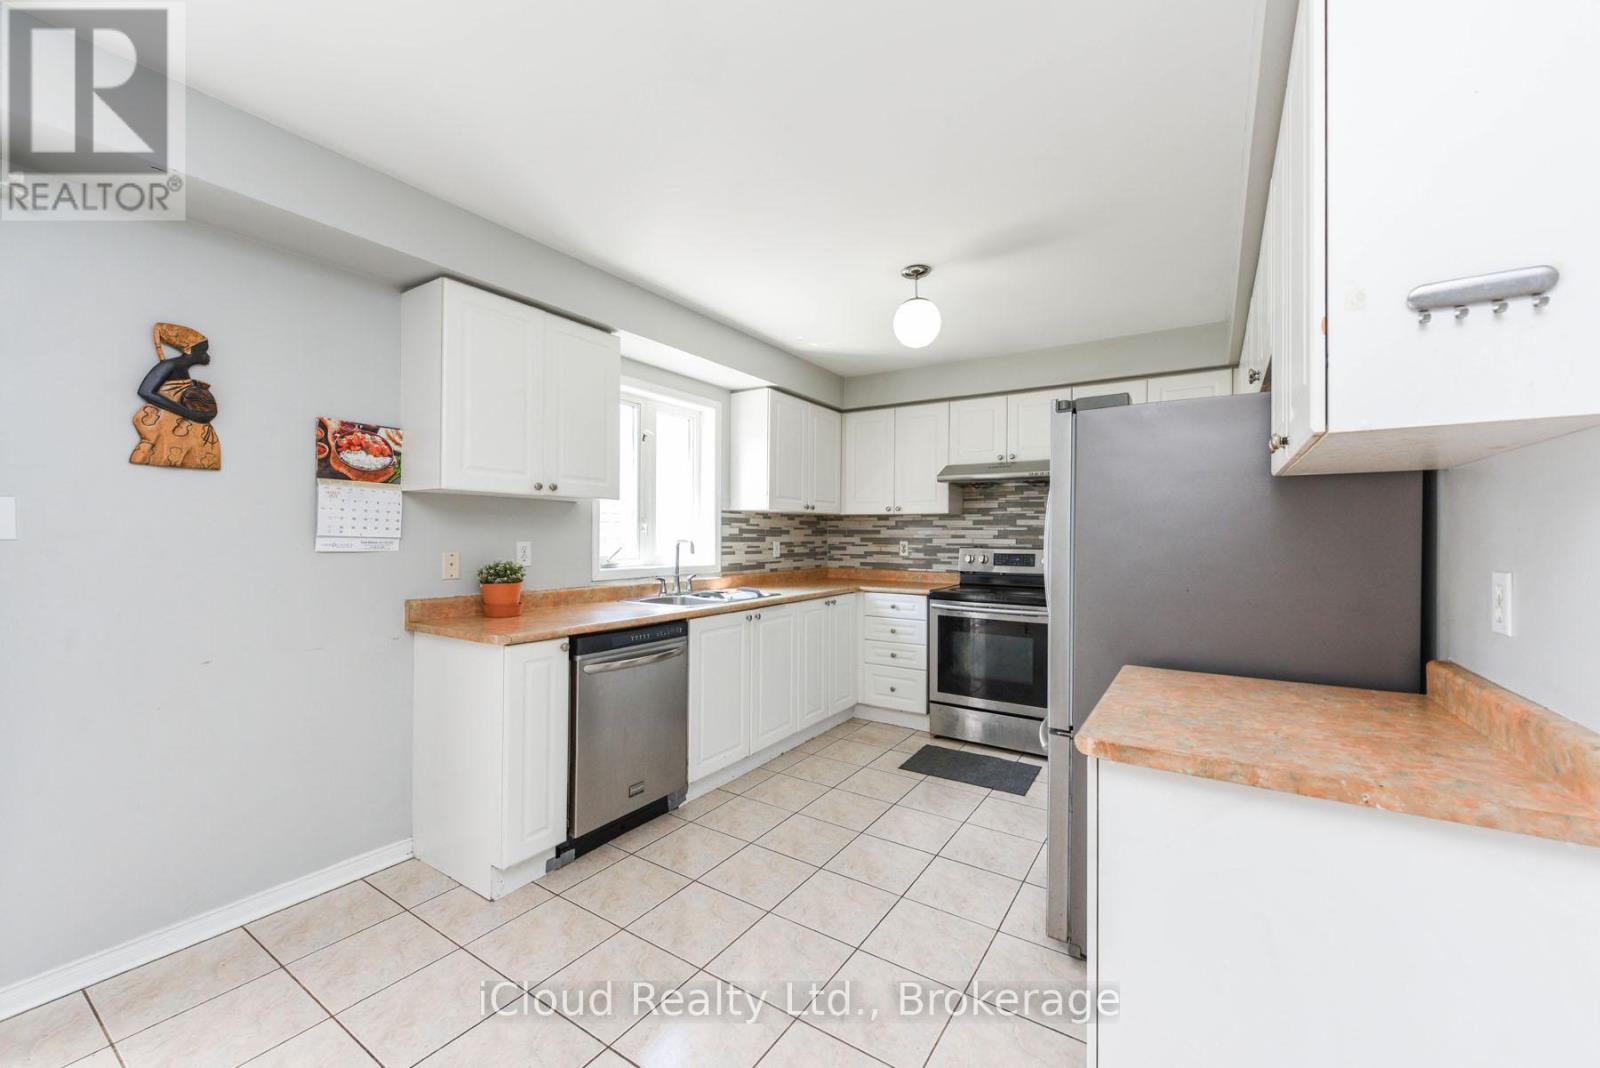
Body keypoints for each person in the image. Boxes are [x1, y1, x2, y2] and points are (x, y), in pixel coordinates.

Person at [129, 323, 221, 470]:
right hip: (168, 420)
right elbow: (145, 391)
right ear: (189, 349)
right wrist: (188, 413)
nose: (207, 356)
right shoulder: (168, 365)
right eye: (203, 351)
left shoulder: (181, 368)